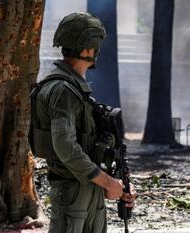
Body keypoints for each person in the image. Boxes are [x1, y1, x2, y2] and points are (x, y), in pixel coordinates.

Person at [28, 12, 136, 233]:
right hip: (74, 191)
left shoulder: (76, 90)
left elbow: (89, 147)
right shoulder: (63, 90)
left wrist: (118, 183)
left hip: (89, 188)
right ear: (88, 49)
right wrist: (107, 182)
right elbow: (66, 147)